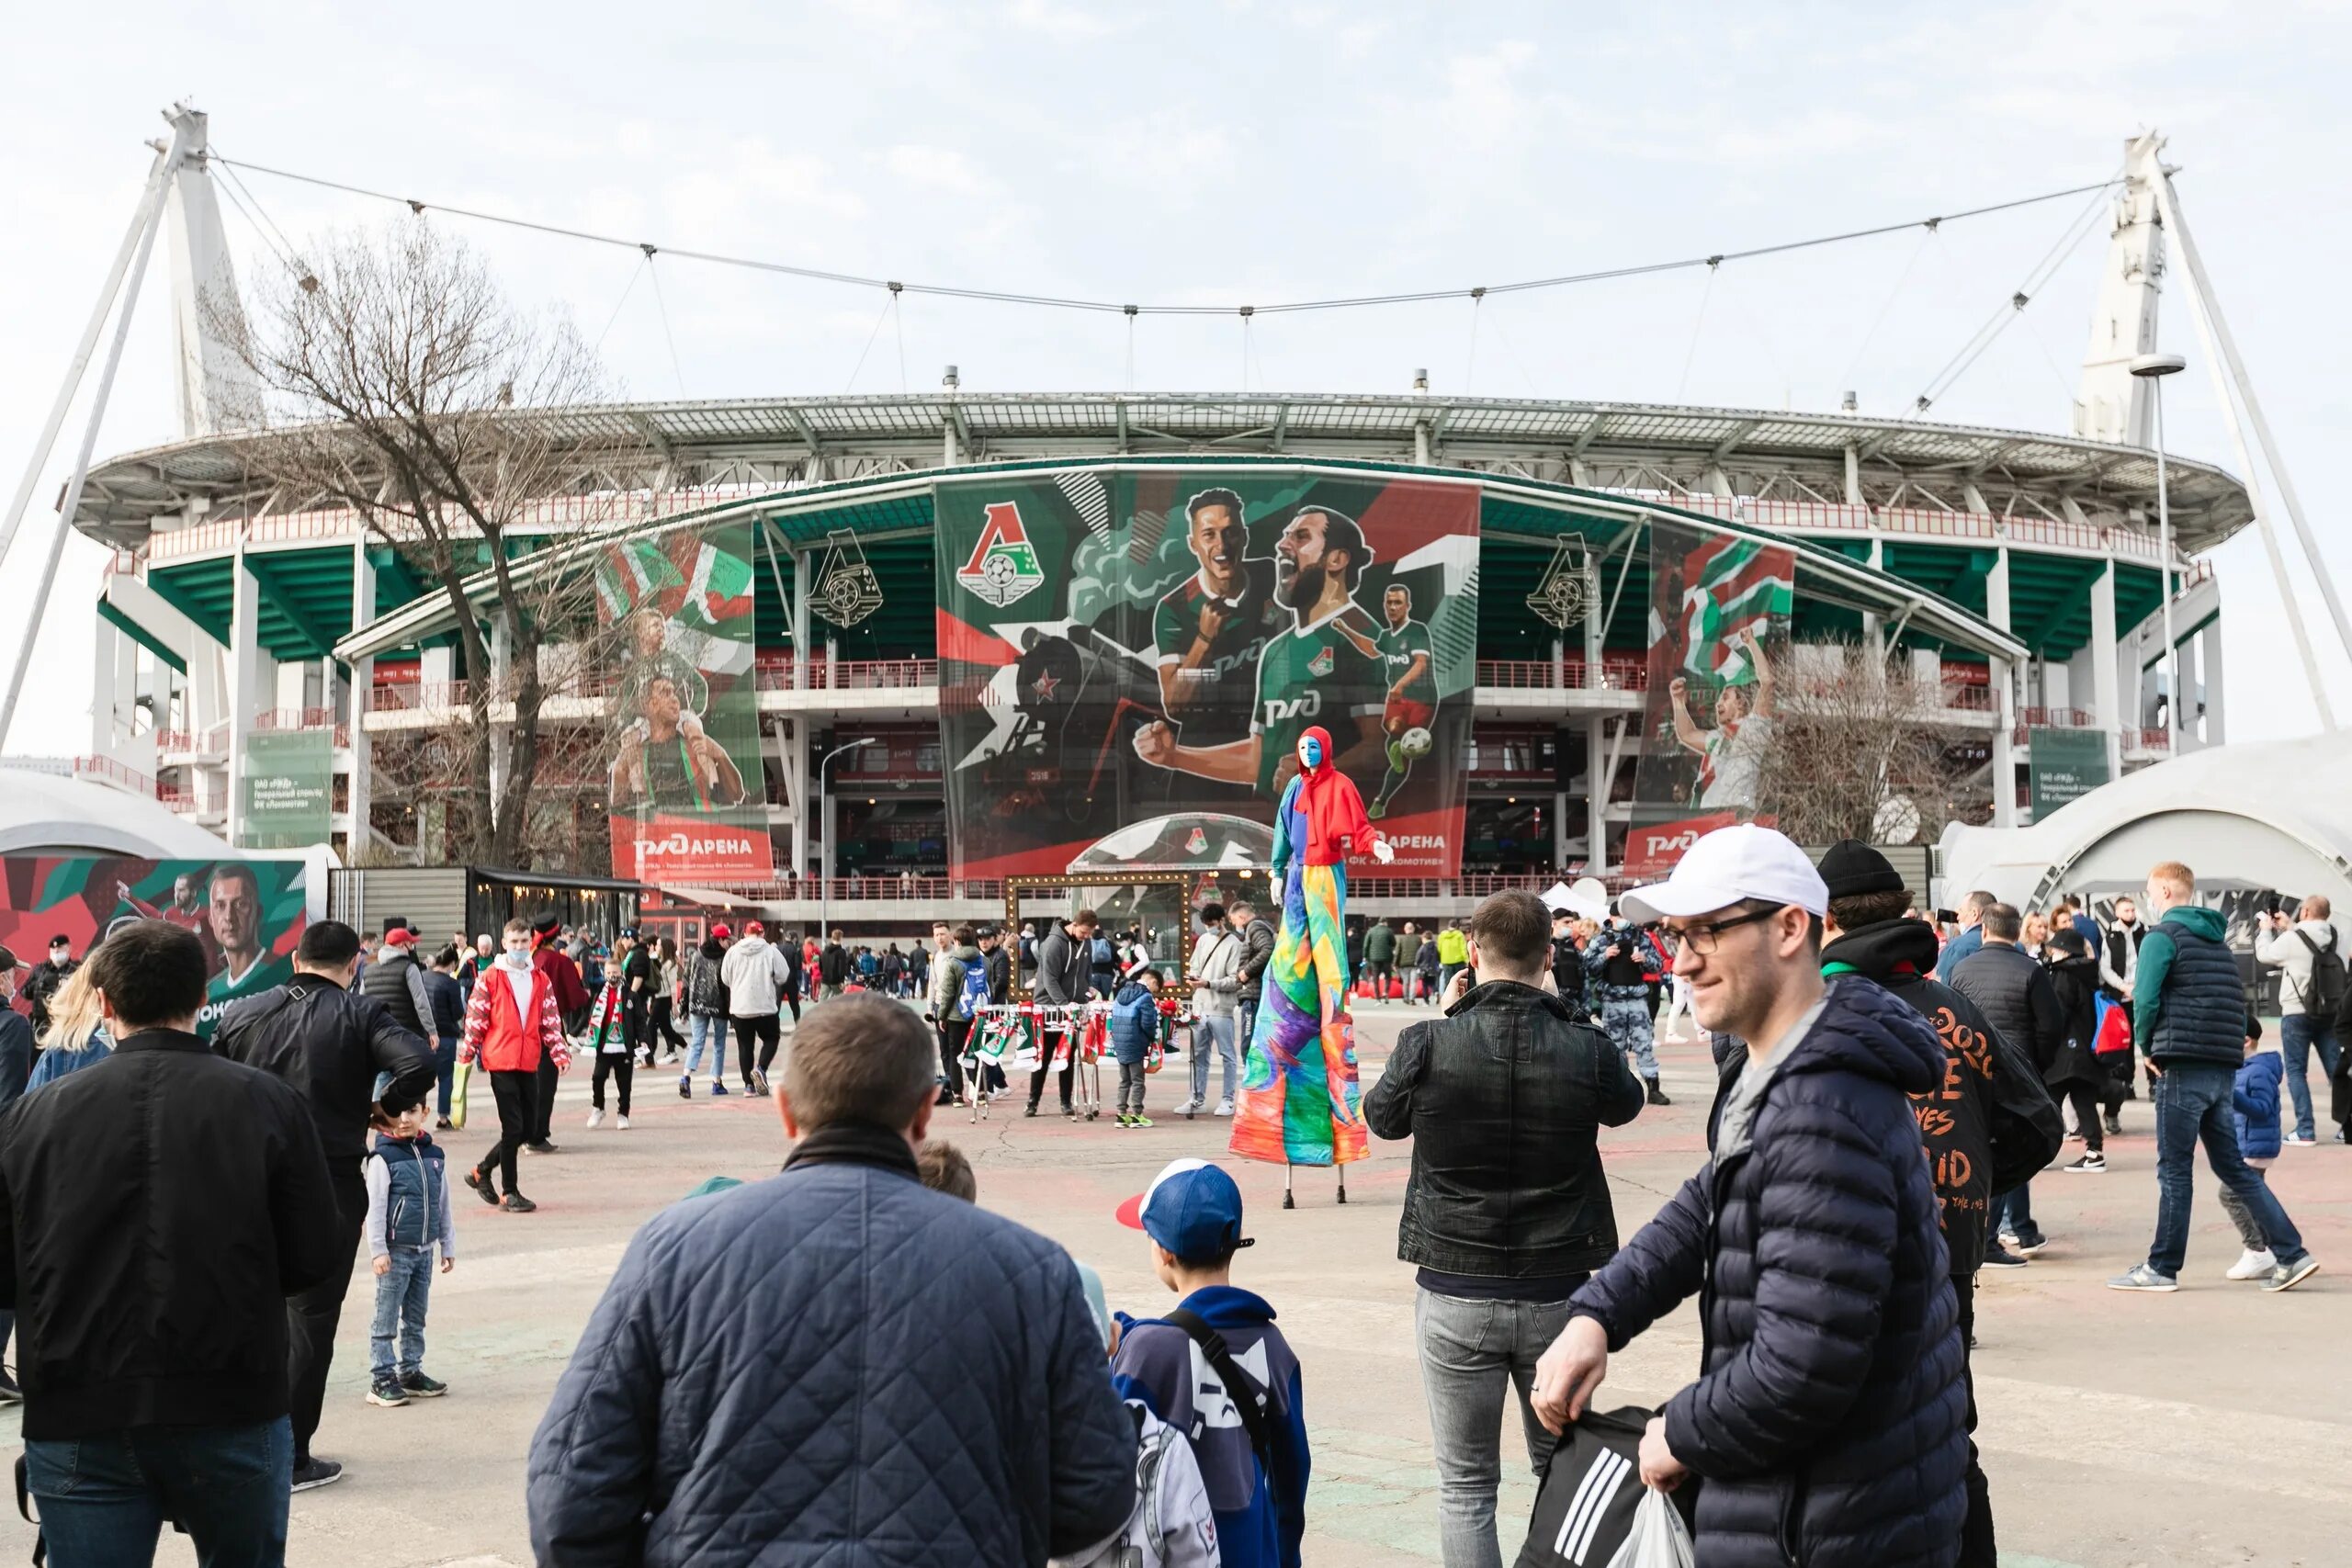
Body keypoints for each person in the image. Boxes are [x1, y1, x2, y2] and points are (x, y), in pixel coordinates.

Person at [526, 995, 1136, 1564]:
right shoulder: (1032, 1270)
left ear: (786, 1108)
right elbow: (1096, 1494)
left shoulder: (676, 1250)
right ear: (925, 1110)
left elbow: (570, 1498)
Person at [1530, 823, 1966, 1568]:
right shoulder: (1786, 1069)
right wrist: (1599, 1313)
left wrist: (1681, 1431)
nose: (1684, 959)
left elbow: (1803, 1366)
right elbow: (1708, 1203)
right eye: (1677, 934)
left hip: (1825, 1526)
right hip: (1816, 1506)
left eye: (1710, 931)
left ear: (1791, 927)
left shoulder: (1821, 1106)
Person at [0, 920, 338, 1566]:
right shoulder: (268, 1104)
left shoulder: (29, 1119)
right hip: (231, 1399)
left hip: (79, 1407)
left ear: (103, 1003)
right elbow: (314, 1258)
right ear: (201, 994)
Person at [1364, 889, 1645, 1568]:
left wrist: (1447, 1016)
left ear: (1471, 949)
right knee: (1563, 1470)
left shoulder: (1428, 1041)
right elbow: (1628, 1102)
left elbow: (1381, 1116)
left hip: (1456, 1289)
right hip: (1558, 1295)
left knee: (1465, 1484)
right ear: (1549, 956)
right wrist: (1566, 1010)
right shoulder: (1585, 1043)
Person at [1815, 843, 2058, 1568]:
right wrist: (1969, 1189)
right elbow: (2037, 1121)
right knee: (1948, 1431)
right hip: (1947, 1249)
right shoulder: (1954, 1007)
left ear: (1822, 918)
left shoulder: (1806, 1010)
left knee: (1837, 1441)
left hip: (1836, 1261)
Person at [212, 918, 437, 1494]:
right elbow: (418, 1061)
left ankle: (234, 1442)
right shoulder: (358, 1015)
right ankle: (289, 1457)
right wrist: (384, 1107)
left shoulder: (244, 1011)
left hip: (244, 1183)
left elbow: (208, 1078)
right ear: (354, 965)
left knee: (244, 1311)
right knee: (311, 1321)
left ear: (294, 961)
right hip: (327, 1183)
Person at [2109, 861, 2322, 1293]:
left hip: (2181, 1066)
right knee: (2235, 1169)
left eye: (2151, 893)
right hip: (2220, 1068)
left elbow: (2146, 998)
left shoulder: (2161, 937)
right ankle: (2291, 1253)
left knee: (2174, 1170)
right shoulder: (2217, 942)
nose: (2149, 900)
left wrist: (2147, 1048)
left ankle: (2162, 1267)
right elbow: (2234, 1005)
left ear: (2166, 892)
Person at [1111, 1158, 1310, 1568]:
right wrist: (1284, 1553)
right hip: (1252, 1551)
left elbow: (1111, 1458)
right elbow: (1293, 1471)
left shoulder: (1146, 1351)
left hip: (1168, 1551)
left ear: (1164, 1251)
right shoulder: (1272, 1346)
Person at [1951, 903, 2069, 1264]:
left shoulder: (1960, 969)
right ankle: (1992, 1237)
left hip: (1973, 1073)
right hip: (2019, 1073)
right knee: (2017, 1147)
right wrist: (2037, 1065)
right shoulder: (2031, 971)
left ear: (1984, 930)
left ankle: (2019, 1227)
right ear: (2017, 932)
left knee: (1988, 1148)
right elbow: (2051, 1026)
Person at [460, 919, 573, 1216]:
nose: (520, 948)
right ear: (504, 943)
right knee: (513, 1127)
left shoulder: (540, 979)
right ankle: (509, 1192)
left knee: (527, 1129)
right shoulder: (490, 977)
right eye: (514, 942)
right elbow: (476, 1017)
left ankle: (481, 1171)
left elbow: (550, 1020)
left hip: (529, 1060)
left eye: (524, 942)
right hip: (500, 1060)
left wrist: (559, 1053)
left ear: (531, 943)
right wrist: (467, 1053)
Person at [362, 1100, 456, 1408]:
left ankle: (411, 1371)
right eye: (397, 1113)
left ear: (424, 1114)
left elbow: (443, 1204)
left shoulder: (434, 1155)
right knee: (385, 1317)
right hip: (395, 1251)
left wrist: (447, 1244)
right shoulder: (382, 1158)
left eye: (412, 1112)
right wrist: (378, 1250)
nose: (404, 1119)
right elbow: (375, 1207)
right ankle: (381, 1377)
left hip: (424, 1251)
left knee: (416, 1317)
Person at [2253, 896, 2343, 1145]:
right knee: (2337, 1071)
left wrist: (2266, 931)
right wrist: (2292, 926)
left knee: (2296, 1072)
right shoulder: (2337, 937)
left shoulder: (2291, 939)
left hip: (2297, 1013)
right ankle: (2348, 1126)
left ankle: (2305, 1130)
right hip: (2330, 1012)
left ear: (2305, 911)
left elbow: (2265, 955)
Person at [2044, 928, 2114, 1173]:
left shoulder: (2064, 975)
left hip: (2067, 1051)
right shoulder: (2087, 973)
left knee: (2048, 1099)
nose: (2051, 953)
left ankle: (2041, 1151)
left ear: (2063, 951)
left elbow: (2058, 1012)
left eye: (2054, 949)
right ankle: (2095, 1152)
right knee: (2083, 1101)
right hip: (2086, 1049)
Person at [2222, 1015, 2288, 1280]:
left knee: (2230, 1195)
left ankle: (2256, 1250)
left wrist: (2233, 1096)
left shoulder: (2258, 1071)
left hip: (2256, 1148)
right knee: (2253, 1199)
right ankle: (2269, 1249)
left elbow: (2261, 1110)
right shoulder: (2243, 1070)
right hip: (2248, 1146)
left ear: (2246, 1041)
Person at [1585, 913, 1669, 1106]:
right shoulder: (1601, 940)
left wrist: (1644, 959)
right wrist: (1604, 956)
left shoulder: (1641, 938)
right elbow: (1587, 966)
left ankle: (1653, 1088)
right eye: (1620, 916)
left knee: (1644, 1043)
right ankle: (1620, 1091)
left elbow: (1658, 965)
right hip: (1612, 1000)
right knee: (1616, 1047)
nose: (1624, 920)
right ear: (1611, 917)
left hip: (1638, 999)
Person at [527, 914, 592, 1153]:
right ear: (556, 935)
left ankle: (526, 1131)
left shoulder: (529, 959)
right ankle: (537, 1134)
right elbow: (576, 998)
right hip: (550, 1029)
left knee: (527, 1083)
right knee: (545, 1084)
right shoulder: (558, 962)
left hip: (523, 1030)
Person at [1029, 908, 1099, 1119]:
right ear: (1075, 924)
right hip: (1049, 1007)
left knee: (1067, 1055)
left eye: (1089, 934)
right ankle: (1033, 1101)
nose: (1086, 937)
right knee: (1044, 1056)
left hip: (1073, 1007)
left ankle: (1066, 1101)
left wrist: (1089, 990)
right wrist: (1063, 1004)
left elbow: (1086, 971)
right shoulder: (1052, 944)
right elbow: (1049, 979)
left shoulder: (1085, 943)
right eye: (1084, 932)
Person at [1180, 904, 1243, 1118]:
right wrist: (1194, 977)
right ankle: (1197, 1098)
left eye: (1212, 924)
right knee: (1198, 1055)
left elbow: (1235, 980)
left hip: (1221, 1007)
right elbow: (1194, 965)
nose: (1209, 928)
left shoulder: (1234, 944)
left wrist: (1208, 983)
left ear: (1221, 920)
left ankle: (1227, 1099)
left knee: (1227, 1055)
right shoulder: (1203, 940)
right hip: (1200, 1006)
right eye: (1206, 924)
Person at [721, 919, 794, 1097]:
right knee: (771, 1038)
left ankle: (748, 1086)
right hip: (765, 1006)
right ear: (762, 934)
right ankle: (761, 1068)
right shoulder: (771, 951)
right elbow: (783, 976)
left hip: (740, 1007)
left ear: (745, 934)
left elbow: (725, 978)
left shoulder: (732, 952)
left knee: (745, 1046)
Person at [679, 924, 732, 1099]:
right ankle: (716, 1082)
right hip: (719, 1006)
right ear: (720, 940)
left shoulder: (696, 955)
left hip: (697, 1004)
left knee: (697, 1042)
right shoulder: (725, 958)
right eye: (727, 940)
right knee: (719, 1043)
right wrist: (731, 1011)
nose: (728, 943)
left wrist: (684, 1006)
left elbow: (687, 980)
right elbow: (727, 985)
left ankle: (686, 1076)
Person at [933, 924, 983, 1106]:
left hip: (956, 1015)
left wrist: (942, 1015)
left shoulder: (953, 962)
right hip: (978, 1014)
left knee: (955, 1053)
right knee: (976, 1051)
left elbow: (947, 993)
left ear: (957, 941)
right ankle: (981, 1090)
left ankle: (957, 1095)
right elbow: (990, 989)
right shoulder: (984, 961)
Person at [1112, 966, 1164, 1129]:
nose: (1156, 993)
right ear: (1153, 982)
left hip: (1120, 1042)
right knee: (1138, 1081)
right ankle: (1137, 1115)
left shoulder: (1122, 992)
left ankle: (1121, 1115)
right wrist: (1150, 1037)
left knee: (1124, 1080)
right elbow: (1148, 1022)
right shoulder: (1145, 997)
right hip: (1136, 1042)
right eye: (1157, 989)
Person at [423, 947, 466, 1129]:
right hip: (446, 1035)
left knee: (421, 1078)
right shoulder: (451, 984)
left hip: (423, 1035)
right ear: (452, 964)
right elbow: (458, 1012)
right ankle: (442, 1117)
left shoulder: (423, 977)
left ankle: (417, 1113)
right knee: (446, 1078)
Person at [1231, 898, 1275, 1050]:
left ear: (1242, 918)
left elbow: (1267, 949)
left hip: (1253, 994)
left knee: (1248, 1043)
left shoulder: (1254, 927)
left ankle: (1249, 1071)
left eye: (1234, 920)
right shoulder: (1262, 926)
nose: (1234, 925)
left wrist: (1246, 972)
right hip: (1257, 992)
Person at [21, 934, 76, 1036]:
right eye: (53, 948)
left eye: (59, 948)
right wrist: (39, 984)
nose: (56, 951)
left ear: (68, 948)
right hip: (40, 1026)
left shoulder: (76, 970)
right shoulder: (40, 969)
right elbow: (25, 993)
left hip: (64, 1026)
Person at [1935, 888, 1995, 981]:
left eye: (1961, 911)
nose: (1957, 917)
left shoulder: (1957, 946)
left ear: (1974, 914)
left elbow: (1943, 984)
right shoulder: (2016, 946)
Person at [648, 936, 687, 1064]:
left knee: (651, 1025)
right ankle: (685, 1046)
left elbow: (673, 986)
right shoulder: (657, 959)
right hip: (656, 997)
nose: (656, 947)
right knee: (666, 1029)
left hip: (664, 998)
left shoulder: (670, 964)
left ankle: (649, 1056)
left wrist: (675, 1006)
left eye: (659, 945)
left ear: (665, 947)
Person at [1436, 920, 1468, 994]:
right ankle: (1459, 996)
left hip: (1446, 961)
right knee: (1459, 980)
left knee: (1448, 980)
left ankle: (1448, 996)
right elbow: (1463, 948)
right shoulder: (1459, 934)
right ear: (1457, 926)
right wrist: (1466, 960)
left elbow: (1439, 948)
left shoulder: (1442, 935)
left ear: (1448, 925)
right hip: (1458, 961)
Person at [818, 929, 849, 999]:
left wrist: (824, 973)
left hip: (825, 979)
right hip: (836, 980)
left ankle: (822, 1010)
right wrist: (842, 981)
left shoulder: (824, 951)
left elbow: (820, 966)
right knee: (840, 1000)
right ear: (841, 938)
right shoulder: (841, 952)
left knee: (823, 1000)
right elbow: (842, 967)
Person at [1413, 925, 1440, 1005]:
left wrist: (1417, 964)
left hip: (1424, 970)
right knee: (1433, 983)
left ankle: (1426, 1000)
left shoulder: (1423, 947)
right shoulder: (1435, 947)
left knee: (1425, 985)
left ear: (1424, 938)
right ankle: (1436, 992)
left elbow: (1418, 957)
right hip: (1433, 969)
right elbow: (1438, 957)